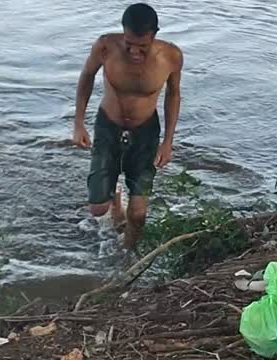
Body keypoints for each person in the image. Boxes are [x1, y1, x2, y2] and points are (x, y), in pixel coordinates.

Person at [72, 3, 183, 256]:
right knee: (97, 209)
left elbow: (174, 95)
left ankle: (127, 256)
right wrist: (79, 123)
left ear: (154, 35)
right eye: (129, 43)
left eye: (141, 47)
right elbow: (86, 76)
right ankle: (113, 199)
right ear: (123, 32)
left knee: (139, 214)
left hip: (145, 131)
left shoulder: (171, 57)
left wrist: (168, 141)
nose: (134, 51)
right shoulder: (105, 46)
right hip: (108, 126)